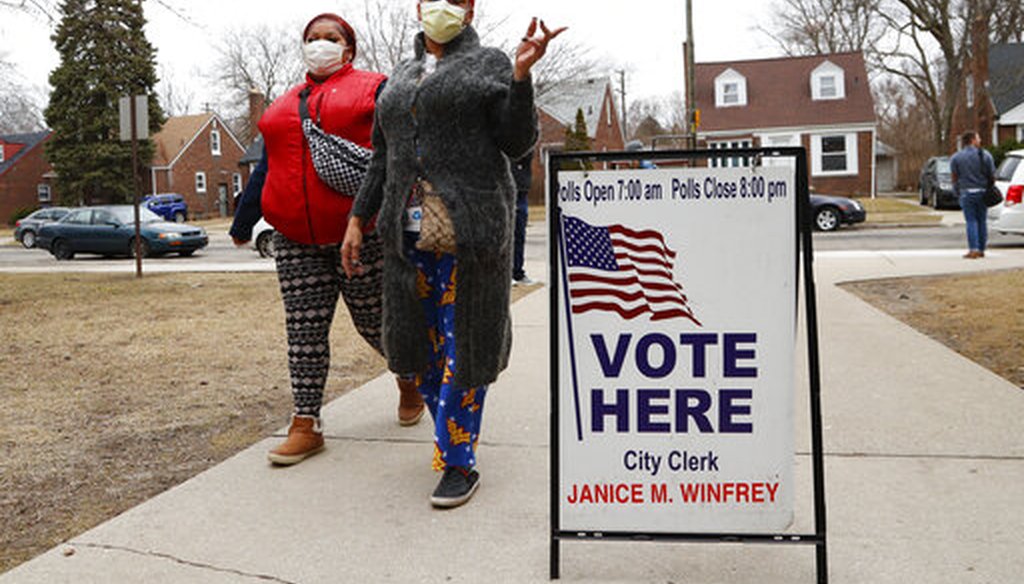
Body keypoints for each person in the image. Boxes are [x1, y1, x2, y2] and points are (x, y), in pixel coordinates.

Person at [342, 0, 564, 508]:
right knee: (418, 352)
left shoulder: (489, 64)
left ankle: (458, 462)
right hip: (406, 235)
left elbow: (517, 142)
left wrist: (522, 77)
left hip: (472, 233)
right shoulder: (398, 76)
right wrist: (357, 219)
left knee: (464, 348)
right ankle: (450, 434)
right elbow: (382, 155)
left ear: (469, 8)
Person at [230, 13, 426, 467]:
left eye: (331, 38)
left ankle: (409, 379)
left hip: (360, 236)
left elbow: (400, 151)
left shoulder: (374, 89)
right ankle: (306, 423)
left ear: (348, 48)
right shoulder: (282, 107)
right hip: (295, 240)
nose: (321, 44)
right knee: (304, 333)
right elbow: (266, 168)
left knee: (377, 324)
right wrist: (244, 222)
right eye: (313, 38)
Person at [950, 130, 996, 259]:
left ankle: (973, 249)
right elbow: (992, 175)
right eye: (978, 138)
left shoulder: (956, 157)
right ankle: (981, 249)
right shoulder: (985, 155)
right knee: (982, 221)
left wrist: (956, 192)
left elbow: (954, 177)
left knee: (971, 221)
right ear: (972, 140)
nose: (980, 140)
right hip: (982, 192)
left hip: (966, 193)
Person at [511, 149, 535, 286]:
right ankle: (507, 274)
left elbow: (527, 153)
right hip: (508, 189)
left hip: (522, 191)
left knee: (520, 234)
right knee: (508, 235)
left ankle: (518, 272)